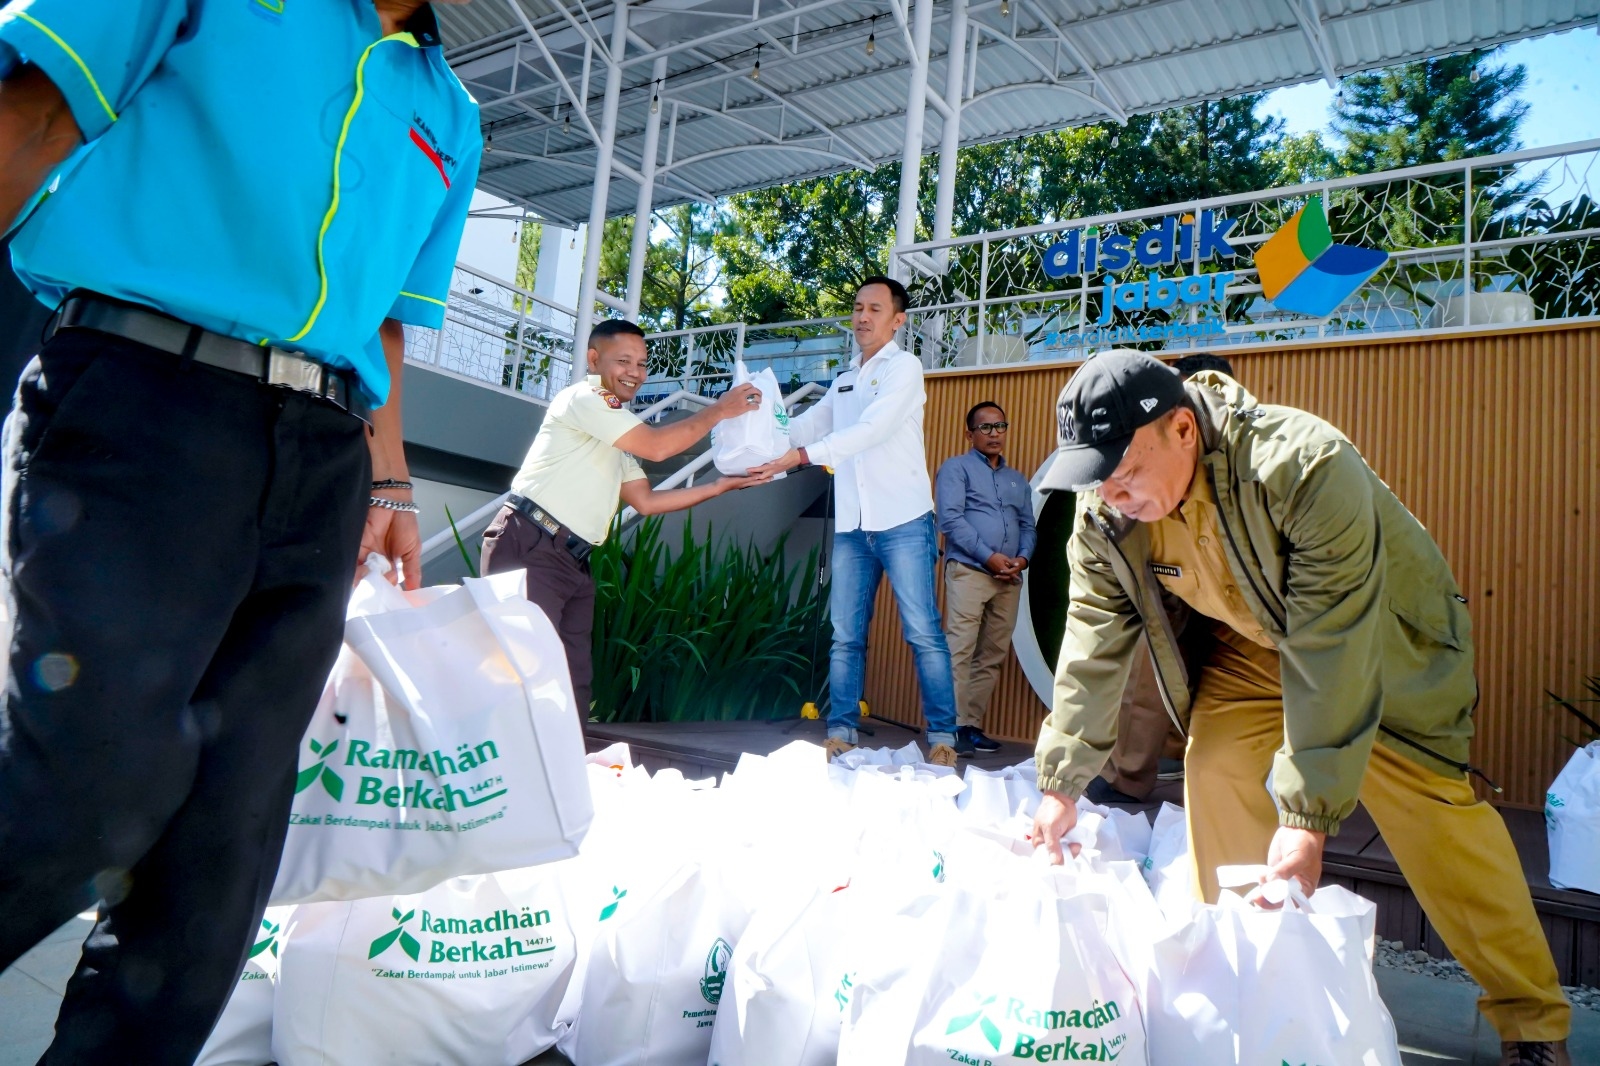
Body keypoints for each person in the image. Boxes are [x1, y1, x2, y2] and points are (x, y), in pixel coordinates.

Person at [0, 0, 478, 1058]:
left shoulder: (450, 112)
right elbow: (29, 117)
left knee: (221, 852)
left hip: (324, 459)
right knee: (86, 785)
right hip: (142, 396)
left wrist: (391, 484)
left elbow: (386, 320)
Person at [1028, 350, 1571, 1065]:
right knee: (1217, 769)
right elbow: (1092, 638)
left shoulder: (1303, 465)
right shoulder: (1105, 512)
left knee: (1436, 822)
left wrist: (1306, 816)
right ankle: (1244, 992)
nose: (1111, 493)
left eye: (1123, 471)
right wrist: (1061, 783)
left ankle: (1533, 1023)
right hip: (1251, 648)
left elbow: (1332, 644)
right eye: (1096, 475)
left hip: (1373, 639)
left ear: (1182, 430)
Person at [482, 319, 766, 719]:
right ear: (593, 359)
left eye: (642, 363)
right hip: (532, 542)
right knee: (521, 678)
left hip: (570, 559)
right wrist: (720, 410)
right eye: (624, 361)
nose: (635, 372)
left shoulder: (613, 433)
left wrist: (720, 487)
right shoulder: (585, 397)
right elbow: (657, 447)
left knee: (572, 682)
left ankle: (568, 758)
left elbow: (645, 501)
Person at [752, 276, 960, 767]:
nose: (862, 317)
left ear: (898, 320)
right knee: (845, 634)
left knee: (923, 632)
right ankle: (841, 730)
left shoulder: (905, 368)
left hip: (904, 520)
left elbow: (872, 430)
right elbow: (806, 426)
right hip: (852, 526)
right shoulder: (845, 377)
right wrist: (761, 425)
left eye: (875, 309)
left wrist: (802, 456)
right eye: (857, 307)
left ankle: (943, 736)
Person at [1087, 352, 1236, 805]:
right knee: (1155, 667)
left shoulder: (1247, 456)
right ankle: (1134, 771)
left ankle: (1160, 766)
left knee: (1214, 676)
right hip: (1176, 584)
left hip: (1231, 598)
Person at [934, 401, 1035, 756]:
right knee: (960, 649)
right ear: (970, 434)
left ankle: (970, 726)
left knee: (992, 654)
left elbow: (1028, 525)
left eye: (1000, 426)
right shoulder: (956, 468)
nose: (995, 433)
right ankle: (948, 729)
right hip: (970, 571)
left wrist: (1022, 559)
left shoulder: (1017, 479)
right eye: (986, 427)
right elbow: (950, 520)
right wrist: (989, 557)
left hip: (1008, 578)